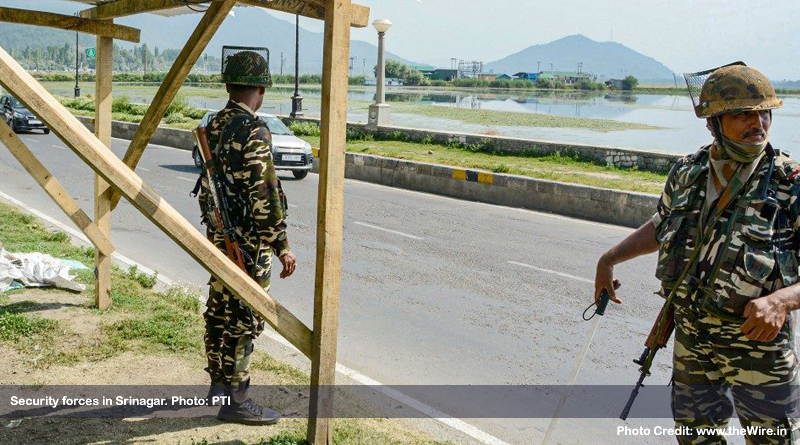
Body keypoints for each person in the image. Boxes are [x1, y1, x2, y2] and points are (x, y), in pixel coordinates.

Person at [594, 64, 800, 443]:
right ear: (714, 122)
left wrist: (782, 301)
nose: (758, 123)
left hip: (757, 348)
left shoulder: (790, 183)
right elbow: (663, 225)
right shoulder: (688, 173)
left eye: (764, 113)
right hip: (692, 336)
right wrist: (609, 259)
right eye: (743, 114)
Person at [197, 46, 297, 425]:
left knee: (220, 312)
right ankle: (236, 401)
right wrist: (282, 245)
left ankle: (219, 387)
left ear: (229, 85)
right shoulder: (253, 129)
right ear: (261, 90)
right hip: (248, 245)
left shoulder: (215, 125)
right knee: (244, 319)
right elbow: (264, 193)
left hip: (220, 238)